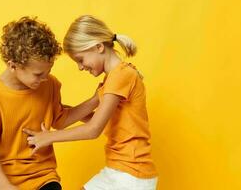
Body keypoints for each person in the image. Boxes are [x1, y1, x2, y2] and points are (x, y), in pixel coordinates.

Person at [23, 15, 158, 190]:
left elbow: (94, 129)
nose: (80, 67)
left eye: (80, 59)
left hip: (131, 174)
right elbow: (103, 120)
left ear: (98, 47)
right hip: (119, 171)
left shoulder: (120, 76)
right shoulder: (113, 79)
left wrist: (48, 137)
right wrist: (60, 111)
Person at [0, 16, 98, 190]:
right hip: (8, 180)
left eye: (48, 72)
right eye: (38, 74)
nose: (44, 78)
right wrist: (3, 184)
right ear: (13, 66)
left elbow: (61, 119)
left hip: (44, 176)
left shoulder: (50, 84)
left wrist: (96, 99)